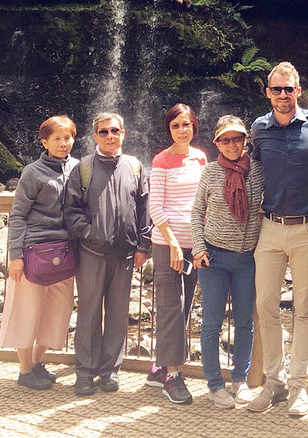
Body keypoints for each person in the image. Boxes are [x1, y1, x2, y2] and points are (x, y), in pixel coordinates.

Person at [247, 61, 308, 415]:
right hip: (269, 228)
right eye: (277, 89)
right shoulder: (259, 129)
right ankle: (274, 383)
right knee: (265, 307)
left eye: (289, 89)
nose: (283, 94)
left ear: (299, 90)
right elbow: (251, 168)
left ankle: (299, 386)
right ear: (268, 93)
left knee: (304, 309)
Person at [64, 112, 151, 396]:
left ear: (123, 133)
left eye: (115, 131)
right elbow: (71, 210)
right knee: (88, 314)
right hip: (91, 252)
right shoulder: (83, 167)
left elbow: (144, 209)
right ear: (95, 136)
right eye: (104, 132)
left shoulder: (135, 167)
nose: (110, 136)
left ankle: (110, 370)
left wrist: (143, 246)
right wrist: (89, 233)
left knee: (117, 314)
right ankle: (84, 372)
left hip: (125, 254)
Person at [0, 115, 79, 390]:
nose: (63, 143)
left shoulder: (78, 168)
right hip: (34, 250)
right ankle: (25, 370)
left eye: (67, 137)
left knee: (58, 311)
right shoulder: (33, 171)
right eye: (56, 138)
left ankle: (34, 363)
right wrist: (15, 256)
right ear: (44, 142)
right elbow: (18, 214)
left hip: (65, 252)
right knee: (26, 310)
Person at [191, 115, 264, 409]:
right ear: (217, 144)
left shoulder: (257, 170)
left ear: (245, 141)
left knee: (245, 322)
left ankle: (240, 380)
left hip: (247, 259)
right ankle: (214, 383)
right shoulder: (210, 172)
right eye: (226, 140)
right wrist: (198, 249)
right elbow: (197, 212)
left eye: (237, 139)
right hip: (214, 258)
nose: (232, 144)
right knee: (212, 323)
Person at [145, 103, 207, 405]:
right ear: (168, 129)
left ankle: (159, 367)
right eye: (176, 126)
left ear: (194, 125)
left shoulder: (200, 157)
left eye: (187, 124)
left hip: (194, 244)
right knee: (171, 306)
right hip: (167, 245)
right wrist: (171, 243)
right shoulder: (161, 160)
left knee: (183, 307)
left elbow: (204, 200)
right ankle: (172, 375)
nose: (182, 130)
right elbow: (155, 207)